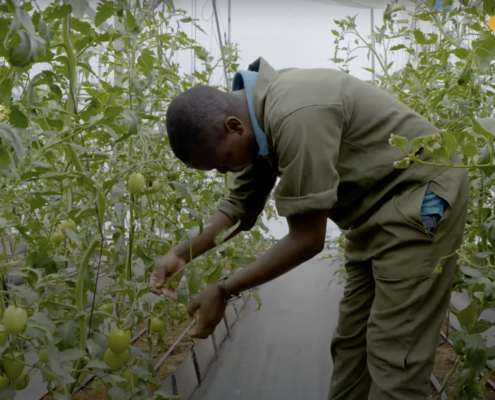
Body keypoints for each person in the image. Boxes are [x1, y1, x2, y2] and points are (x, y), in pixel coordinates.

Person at [150, 57, 468, 400]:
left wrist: (223, 290)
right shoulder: (256, 121)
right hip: (371, 214)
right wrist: (181, 254)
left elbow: (307, 240)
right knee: (352, 344)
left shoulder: (294, 115)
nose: (224, 171)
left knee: (396, 353)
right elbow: (238, 207)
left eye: (223, 162)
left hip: (419, 198)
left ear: (233, 126)